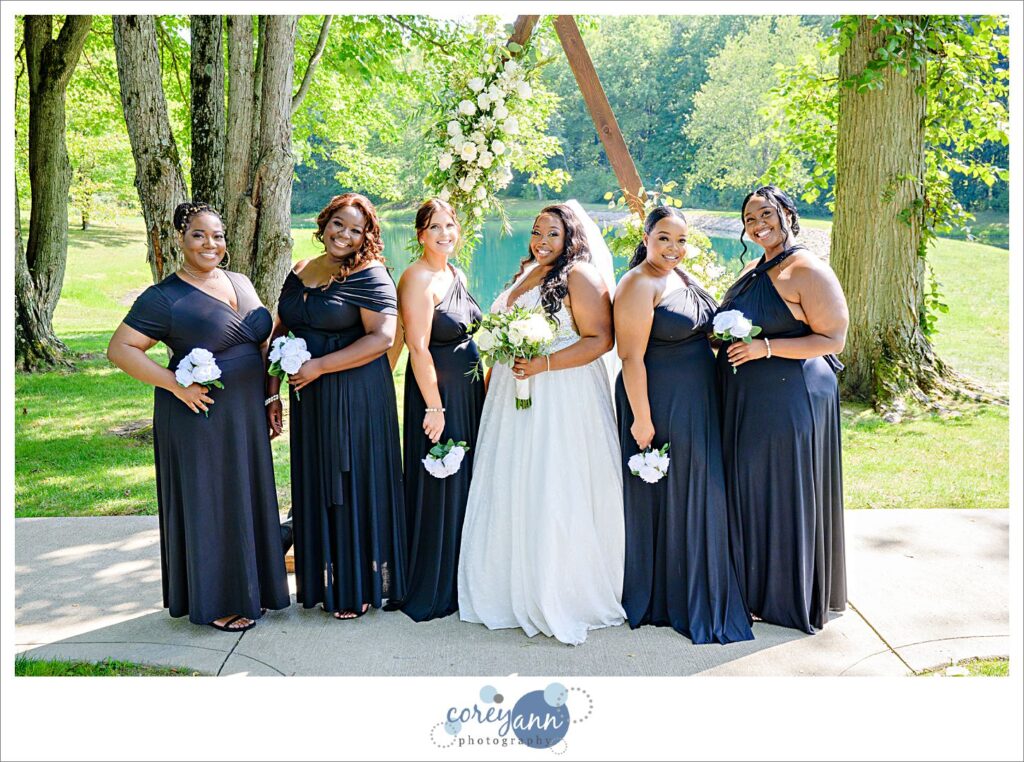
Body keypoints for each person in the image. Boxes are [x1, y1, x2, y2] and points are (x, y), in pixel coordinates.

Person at [107, 202, 289, 633]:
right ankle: (218, 600)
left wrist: (270, 397)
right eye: (199, 235)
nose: (211, 244)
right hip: (199, 417)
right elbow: (120, 349)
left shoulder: (240, 281)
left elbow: (261, 344)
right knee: (212, 502)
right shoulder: (164, 297)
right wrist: (175, 384)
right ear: (180, 239)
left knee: (245, 497)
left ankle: (253, 587)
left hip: (245, 413)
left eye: (218, 235)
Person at [457, 201, 626, 646]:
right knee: (517, 482)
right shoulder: (527, 271)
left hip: (562, 395)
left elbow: (600, 339)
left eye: (552, 233)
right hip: (514, 394)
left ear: (571, 237)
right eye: (536, 232)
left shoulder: (580, 276)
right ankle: (509, 584)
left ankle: (560, 588)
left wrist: (544, 364)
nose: (542, 241)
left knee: (554, 482)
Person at [614, 206, 754, 644]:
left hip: (697, 401)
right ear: (646, 236)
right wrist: (641, 419)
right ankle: (669, 595)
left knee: (699, 491)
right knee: (675, 497)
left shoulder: (681, 277)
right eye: (664, 239)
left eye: (681, 240)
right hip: (660, 402)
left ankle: (697, 584)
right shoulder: (639, 283)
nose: (674, 248)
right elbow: (630, 357)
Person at [268, 193, 406, 620]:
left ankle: (357, 586)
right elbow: (279, 331)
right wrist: (271, 391)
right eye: (338, 224)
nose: (344, 235)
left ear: (367, 236)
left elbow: (381, 338)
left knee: (349, 483)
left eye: (356, 229)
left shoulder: (370, 274)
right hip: (307, 396)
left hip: (354, 393)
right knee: (316, 481)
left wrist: (319, 366)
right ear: (324, 222)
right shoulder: (300, 269)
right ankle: (322, 578)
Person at [717, 185, 848, 634]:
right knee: (756, 489)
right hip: (753, 398)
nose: (758, 225)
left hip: (791, 397)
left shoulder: (808, 270)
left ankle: (788, 595)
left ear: (789, 214)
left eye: (766, 214)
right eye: (750, 219)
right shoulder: (758, 267)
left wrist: (765, 348)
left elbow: (833, 340)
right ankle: (756, 587)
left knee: (784, 491)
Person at [389, 199, 486, 622]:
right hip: (438, 392)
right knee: (440, 482)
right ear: (420, 235)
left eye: (451, 225)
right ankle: (434, 581)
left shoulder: (455, 273)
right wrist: (434, 406)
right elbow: (418, 345)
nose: (446, 233)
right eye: (435, 227)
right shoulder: (417, 278)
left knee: (466, 481)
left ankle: (466, 574)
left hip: (467, 392)